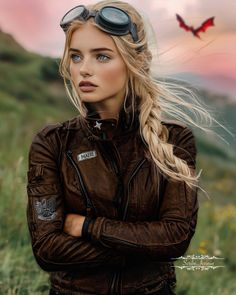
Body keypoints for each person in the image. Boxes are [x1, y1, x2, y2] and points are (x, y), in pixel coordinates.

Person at [26, 1, 213, 294]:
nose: (84, 69)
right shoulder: (53, 144)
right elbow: (47, 249)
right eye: (76, 56)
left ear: (134, 61)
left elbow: (175, 237)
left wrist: (88, 227)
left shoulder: (174, 140)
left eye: (101, 56)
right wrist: (147, 248)